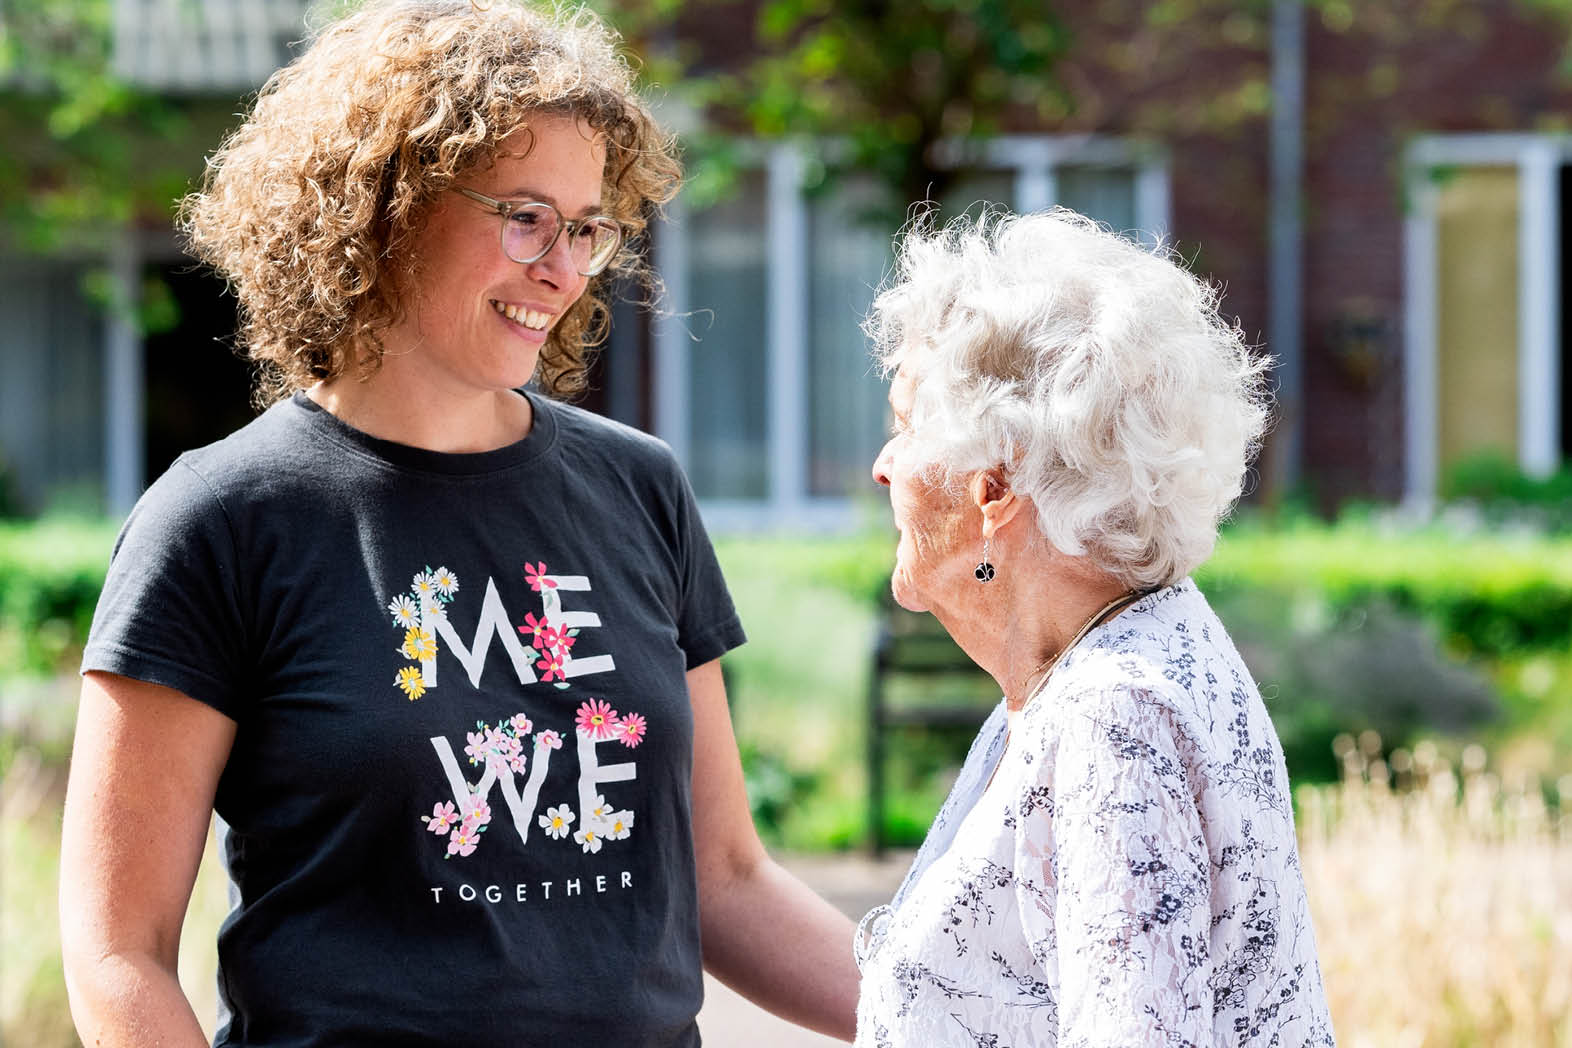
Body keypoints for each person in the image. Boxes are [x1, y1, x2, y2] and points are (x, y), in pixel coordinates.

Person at [57, 2, 859, 1044]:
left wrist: (966, 1022)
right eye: (524, 216)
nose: (564, 270)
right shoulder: (220, 523)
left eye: (585, 227)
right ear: (385, 206)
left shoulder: (639, 488)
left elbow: (728, 877)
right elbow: (117, 954)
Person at [853, 208, 1336, 1046]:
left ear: (994, 486)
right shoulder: (1129, 652)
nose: (882, 465)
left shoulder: (1112, 714)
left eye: (905, 427)